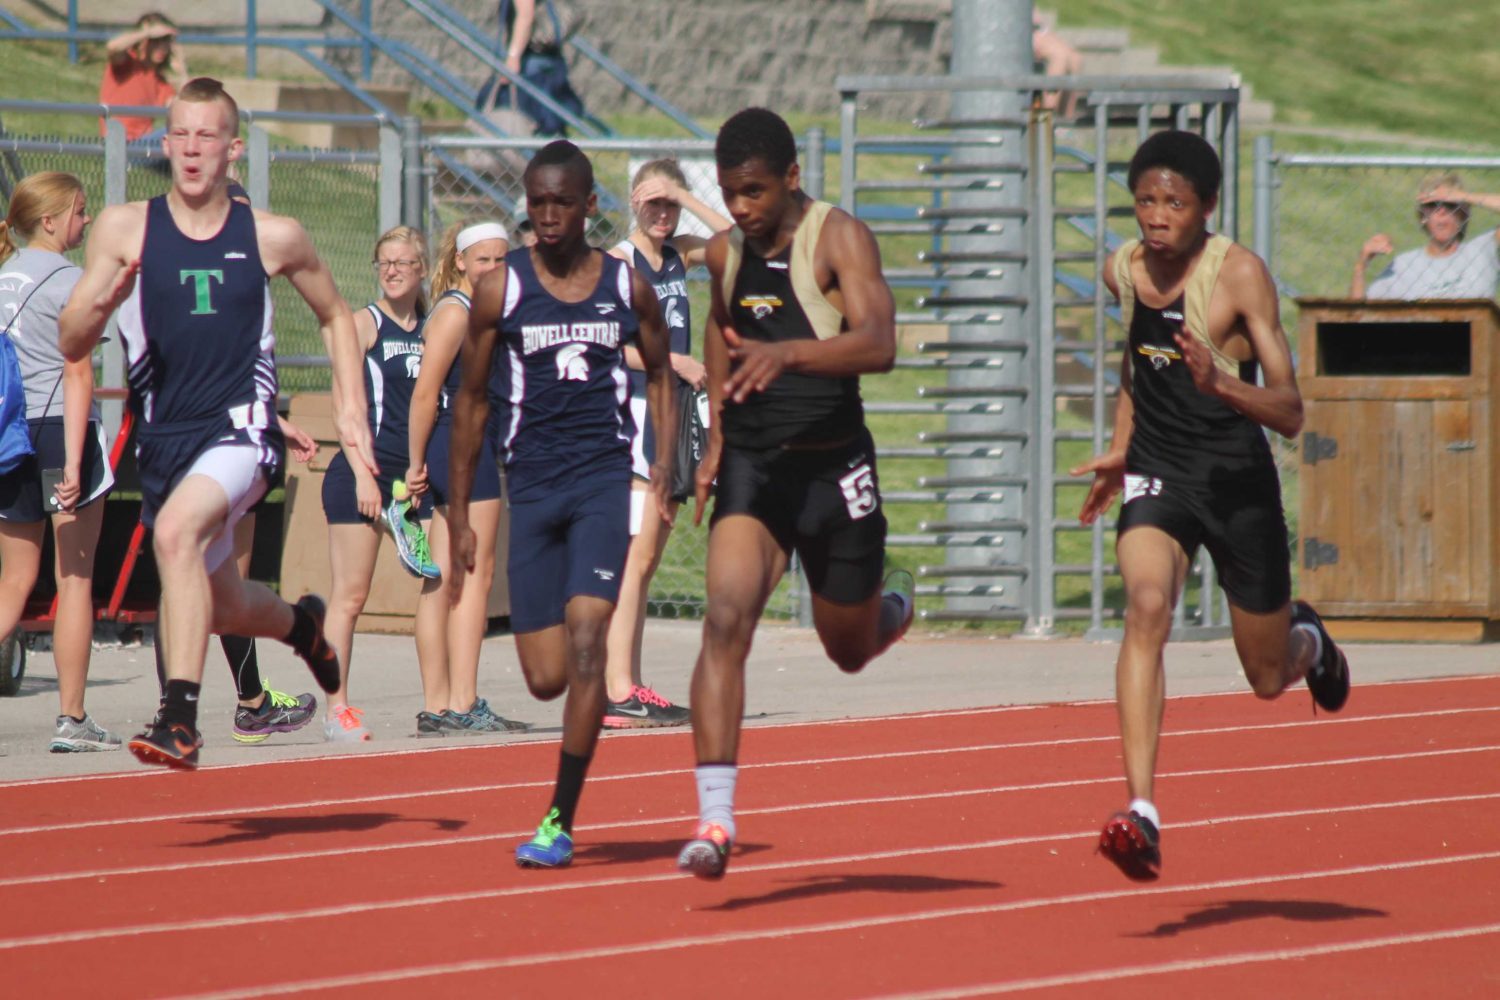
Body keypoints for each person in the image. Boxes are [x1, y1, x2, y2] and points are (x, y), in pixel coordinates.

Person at [58, 77, 376, 769]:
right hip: (165, 439)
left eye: (209, 136)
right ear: (165, 142)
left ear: (233, 149)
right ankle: (304, 627)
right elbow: (73, 340)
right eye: (183, 134)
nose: (193, 148)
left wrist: (350, 410)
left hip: (242, 429)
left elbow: (335, 315)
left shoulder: (271, 236)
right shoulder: (124, 228)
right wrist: (104, 301)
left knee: (172, 537)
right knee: (220, 598)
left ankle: (178, 718)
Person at [1070, 130, 1351, 881]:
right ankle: (1142, 811)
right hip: (1160, 473)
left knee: (1265, 678)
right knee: (1146, 606)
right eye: (1145, 202)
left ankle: (1310, 643)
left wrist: (1220, 382)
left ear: (1207, 208)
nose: (1157, 217)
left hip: (1237, 482)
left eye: (1175, 203)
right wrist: (1122, 449)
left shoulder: (1240, 278)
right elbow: (1136, 365)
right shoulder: (1121, 270)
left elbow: (1291, 411)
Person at [675, 108, 915, 880]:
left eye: (752, 192)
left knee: (846, 650)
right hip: (757, 466)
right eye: (728, 193)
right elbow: (719, 329)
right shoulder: (724, 254)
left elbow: (880, 343)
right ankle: (715, 820)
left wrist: (791, 358)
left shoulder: (838, 238)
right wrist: (714, 437)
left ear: (790, 178)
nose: (740, 208)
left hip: (835, 467)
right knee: (724, 620)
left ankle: (889, 608)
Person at [448, 139, 676, 868]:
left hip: (603, 483)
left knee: (587, 646)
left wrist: (663, 469)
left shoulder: (624, 284)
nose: (547, 216)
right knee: (547, 677)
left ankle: (558, 819)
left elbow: (665, 374)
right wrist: (458, 511)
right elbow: (473, 400)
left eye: (561, 202)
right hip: (532, 489)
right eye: (536, 202)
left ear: (589, 207)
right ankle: (564, 783)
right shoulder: (501, 289)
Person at [149, 181, 321, 747]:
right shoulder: (181, 270)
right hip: (190, 438)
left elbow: (248, 372)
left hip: (241, 436)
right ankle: (188, 703)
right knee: (190, 568)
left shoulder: (254, 276)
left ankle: (240, 698)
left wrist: (277, 422)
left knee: (219, 581)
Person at [602, 159, 730, 729]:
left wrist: (686, 194)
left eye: (669, 204)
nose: (661, 214)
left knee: (648, 558)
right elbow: (603, 342)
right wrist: (669, 359)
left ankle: (628, 681)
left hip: (675, 416)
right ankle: (616, 686)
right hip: (636, 414)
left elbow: (739, 242)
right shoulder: (616, 263)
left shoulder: (680, 252)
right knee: (638, 553)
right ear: (632, 201)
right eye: (652, 202)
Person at [0, 172, 119, 752]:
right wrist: (74, 464)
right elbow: (79, 371)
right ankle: (72, 720)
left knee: (13, 581)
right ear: (50, 221)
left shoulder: (2, 276)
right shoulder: (70, 280)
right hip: (56, 431)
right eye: (79, 210)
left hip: (7, 435)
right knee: (74, 579)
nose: (87, 219)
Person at [404, 219, 527, 736]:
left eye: (502, 260)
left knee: (443, 577)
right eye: (483, 260)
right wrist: (414, 465)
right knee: (474, 577)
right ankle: (462, 701)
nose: (494, 268)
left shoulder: (478, 309)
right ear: (459, 260)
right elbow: (426, 393)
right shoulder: (456, 314)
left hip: (460, 445)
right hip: (462, 447)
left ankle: (439, 704)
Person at [318, 224, 439, 743]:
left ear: (421, 270)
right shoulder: (363, 325)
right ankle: (336, 708)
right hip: (361, 475)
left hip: (411, 481)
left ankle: (446, 702)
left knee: (441, 579)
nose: (391, 271)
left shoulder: (434, 327)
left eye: (401, 263)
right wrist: (365, 476)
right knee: (351, 596)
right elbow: (344, 407)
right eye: (383, 262)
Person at [1351, 172, 1500, 300]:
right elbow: (1356, 319)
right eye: (1433, 205)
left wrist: (1463, 196)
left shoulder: (1482, 250)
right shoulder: (1403, 265)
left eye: (1450, 205)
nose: (1441, 211)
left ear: (1463, 214)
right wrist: (1361, 266)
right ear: (1423, 216)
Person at [100, 12, 186, 142]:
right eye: (155, 41)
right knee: (175, 134)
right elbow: (113, 47)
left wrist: (182, 73)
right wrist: (147, 32)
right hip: (118, 144)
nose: (161, 48)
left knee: (184, 131)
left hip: (142, 145)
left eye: (165, 42)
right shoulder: (127, 63)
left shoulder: (160, 82)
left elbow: (184, 110)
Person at [1033, 12, 1083, 120]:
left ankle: (1067, 120)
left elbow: (1038, 23)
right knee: (1058, 56)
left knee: (1075, 58)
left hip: (1036, 33)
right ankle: (1047, 117)